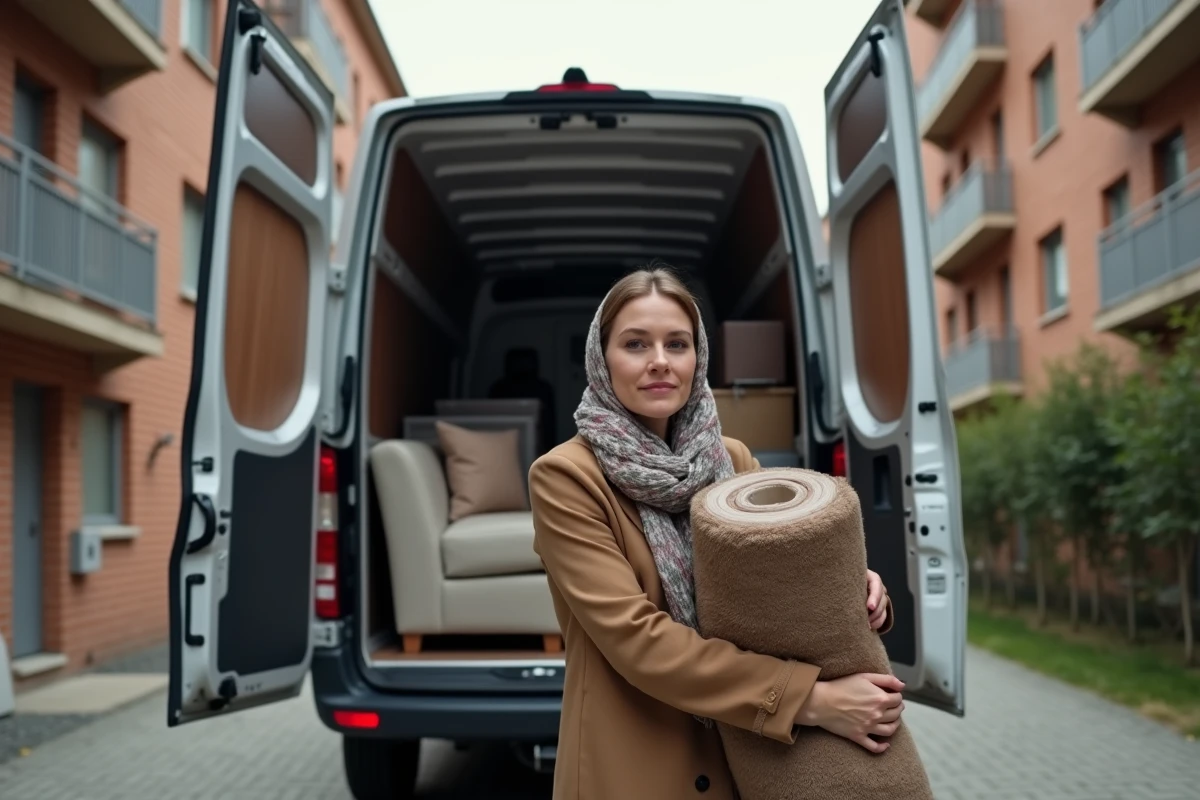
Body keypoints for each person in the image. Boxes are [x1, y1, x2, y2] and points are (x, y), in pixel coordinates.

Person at [527, 265, 905, 800]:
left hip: (746, 759)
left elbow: (781, 578)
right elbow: (638, 641)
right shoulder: (567, 477)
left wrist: (858, 590)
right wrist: (810, 701)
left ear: (698, 358)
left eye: (676, 343)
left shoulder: (730, 459)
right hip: (638, 766)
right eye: (636, 343)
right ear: (600, 358)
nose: (660, 360)